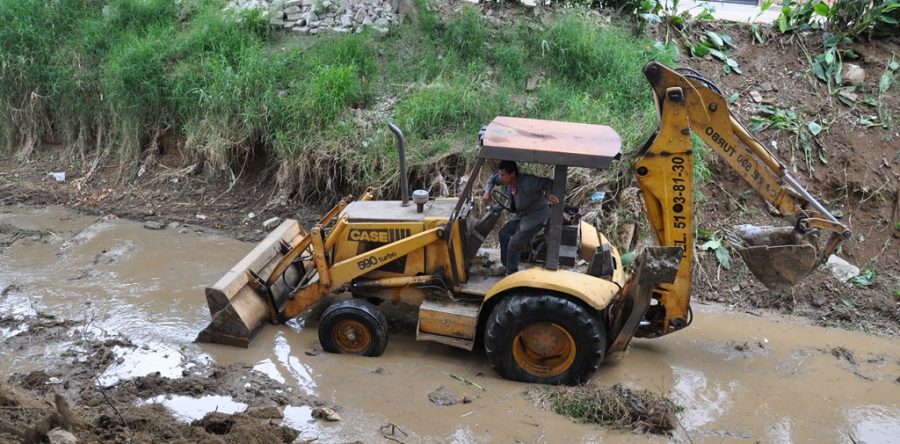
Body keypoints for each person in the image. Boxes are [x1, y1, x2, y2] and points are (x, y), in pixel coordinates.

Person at [482, 160, 559, 275]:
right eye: (500, 174)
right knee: (503, 234)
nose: (500, 178)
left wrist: (548, 194)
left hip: (536, 215)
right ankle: (507, 266)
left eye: (503, 174)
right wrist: (487, 191)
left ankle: (512, 274)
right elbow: (493, 179)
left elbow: (548, 183)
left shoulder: (528, 182)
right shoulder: (505, 179)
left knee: (514, 243)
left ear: (512, 174)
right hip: (521, 214)